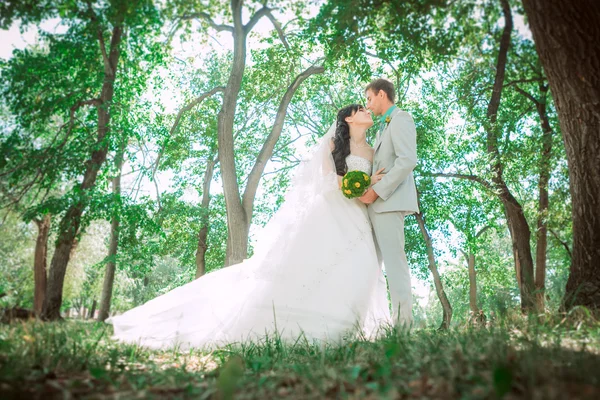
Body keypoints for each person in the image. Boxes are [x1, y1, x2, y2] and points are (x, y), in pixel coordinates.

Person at [107, 104, 391, 350]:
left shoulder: (372, 149)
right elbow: (329, 178)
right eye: (361, 109)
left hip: (359, 215)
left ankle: (343, 328)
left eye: (366, 107)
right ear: (349, 119)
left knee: (361, 265)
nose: (366, 111)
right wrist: (363, 183)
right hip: (332, 210)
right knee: (316, 266)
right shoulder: (333, 145)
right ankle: (314, 328)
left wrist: (371, 185)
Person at [359, 78, 419, 326]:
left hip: (388, 203)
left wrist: (376, 192)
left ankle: (403, 327)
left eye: (369, 99)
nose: (368, 105)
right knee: (372, 267)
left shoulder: (401, 119)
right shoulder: (383, 128)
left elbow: (407, 161)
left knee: (395, 265)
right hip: (376, 207)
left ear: (382, 94)